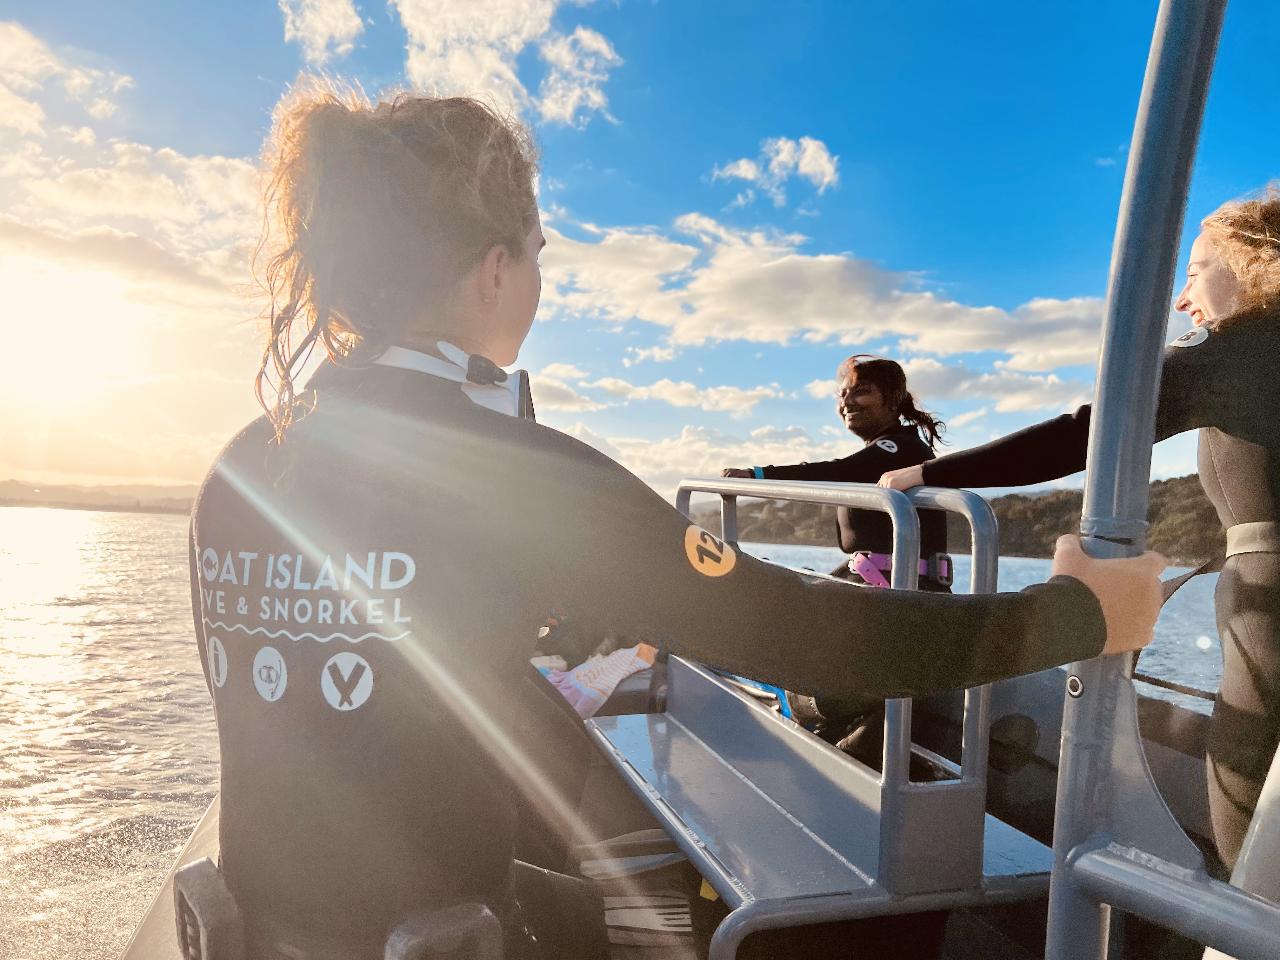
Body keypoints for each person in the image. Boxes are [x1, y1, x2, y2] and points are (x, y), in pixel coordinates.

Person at [189, 77, 1165, 957]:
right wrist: (1075, 613)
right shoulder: (508, 471)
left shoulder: (241, 461)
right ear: (492, 269)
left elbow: (409, 675)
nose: (535, 279)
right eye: (534, 254)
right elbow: (806, 633)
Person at [880, 184, 1280, 872]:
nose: (1183, 299)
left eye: (1193, 271)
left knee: (1249, 827)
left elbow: (1085, 434)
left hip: (1269, 611)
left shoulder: (1241, 346)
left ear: (1251, 260)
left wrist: (926, 475)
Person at [723, 354, 951, 592]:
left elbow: (839, 470)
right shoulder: (888, 449)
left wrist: (757, 475)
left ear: (892, 399)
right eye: (842, 395)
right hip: (875, 578)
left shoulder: (902, 448)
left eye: (861, 391)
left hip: (907, 590)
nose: (847, 402)